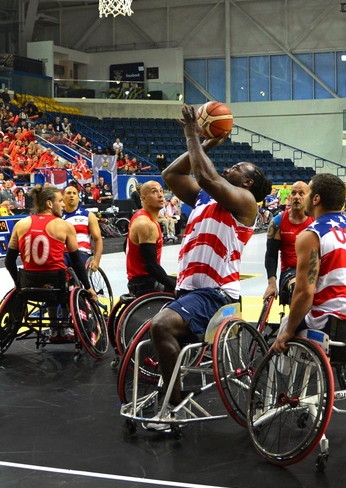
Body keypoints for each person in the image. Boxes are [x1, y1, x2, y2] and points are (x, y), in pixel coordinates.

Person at [154, 105, 270, 410]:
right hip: (190, 289)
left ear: (248, 183)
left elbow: (205, 176)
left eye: (238, 167)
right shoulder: (207, 196)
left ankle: (173, 406)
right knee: (159, 335)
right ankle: (172, 392)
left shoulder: (245, 203)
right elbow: (172, 174)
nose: (230, 167)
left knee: (161, 326)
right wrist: (205, 144)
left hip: (216, 294)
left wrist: (192, 134)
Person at [270, 174, 346, 353]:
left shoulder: (311, 235)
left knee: (286, 328)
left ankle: (277, 379)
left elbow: (304, 293)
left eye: (307, 193)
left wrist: (289, 331)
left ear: (315, 199)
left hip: (333, 329)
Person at [3, 185, 95, 342]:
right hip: (58, 285)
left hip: (29, 285)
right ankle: (64, 329)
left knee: (49, 280)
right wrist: (88, 288)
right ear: (49, 204)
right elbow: (77, 262)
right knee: (68, 280)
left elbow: (9, 261)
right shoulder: (64, 226)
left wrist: (18, 283)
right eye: (60, 201)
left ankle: (53, 329)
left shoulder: (21, 224)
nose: (63, 204)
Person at [263, 180, 313, 306]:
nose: (297, 197)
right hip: (290, 272)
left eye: (301, 194)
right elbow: (271, 255)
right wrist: (272, 283)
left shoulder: (315, 221)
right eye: (294, 193)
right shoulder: (277, 222)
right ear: (289, 197)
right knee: (299, 286)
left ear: (309, 197)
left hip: (313, 270)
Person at [126, 181, 175, 296]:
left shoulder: (140, 215)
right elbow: (151, 266)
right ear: (143, 198)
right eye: (154, 192)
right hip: (146, 284)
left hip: (141, 279)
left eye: (161, 191)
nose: (160, 195)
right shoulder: (146, 224)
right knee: (191, 291)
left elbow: (126, 246)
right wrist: (175, 287)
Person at [62, 184, 103, 272]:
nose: (71, 195)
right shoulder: (58, 216)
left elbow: (98, 239)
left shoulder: (88, 215)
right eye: (68, 193)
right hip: (62, 253)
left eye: (74, 193)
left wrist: (96, 260)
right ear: (63, 197)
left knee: (78, 268)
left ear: (78, 197)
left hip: (81, 252)